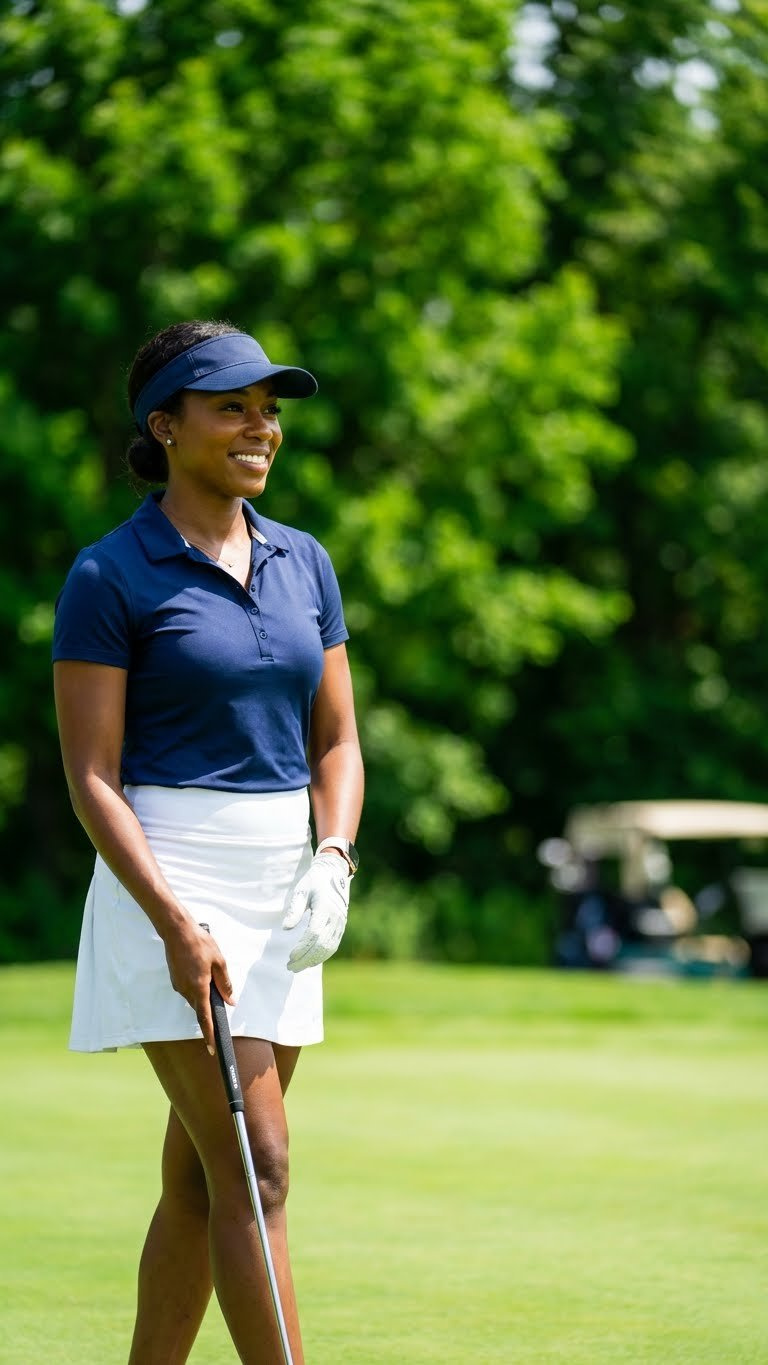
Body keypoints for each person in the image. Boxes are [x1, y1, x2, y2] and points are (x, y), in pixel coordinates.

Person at [52, 320, 364, 1365]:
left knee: (202, 1177)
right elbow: (92, 776)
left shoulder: (304, 561)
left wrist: (334, 857)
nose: (260, 427)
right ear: (166, 425)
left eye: (269, 409)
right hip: (166, 875)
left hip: (282, 884)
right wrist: (173, 920)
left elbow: (338, 741)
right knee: (259, 1163)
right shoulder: (111, 575)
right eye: (232, 406)